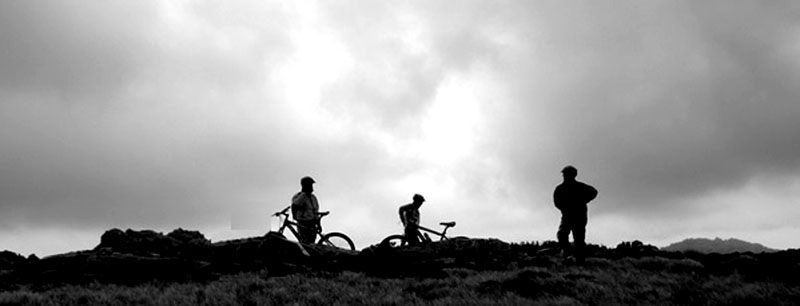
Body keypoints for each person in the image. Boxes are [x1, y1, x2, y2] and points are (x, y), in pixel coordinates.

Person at [553, 165, 597, 264]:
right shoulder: (560, 188)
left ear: (573, 175)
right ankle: (568, 255)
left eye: (566, 174)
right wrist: (564, 208)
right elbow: (556, 202)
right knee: (562, 235)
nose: (564, 176)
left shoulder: (580, 186)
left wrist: (584, 200)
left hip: (579, 217)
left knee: (579, 239)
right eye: (564, 174)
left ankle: (580, 261)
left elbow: (594, 192)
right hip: (567, 216)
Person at [292, 176, 320, 244]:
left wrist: (318, 224)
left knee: (311, 242)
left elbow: (315, 211)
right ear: (304, 185)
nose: (311, 187)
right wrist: (295, 217)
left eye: (311, 185)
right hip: (303, 222)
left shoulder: (313, 197)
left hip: (312, 222)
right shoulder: (300, 196)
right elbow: (294, 206)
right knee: (305, 242)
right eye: (310, 185)